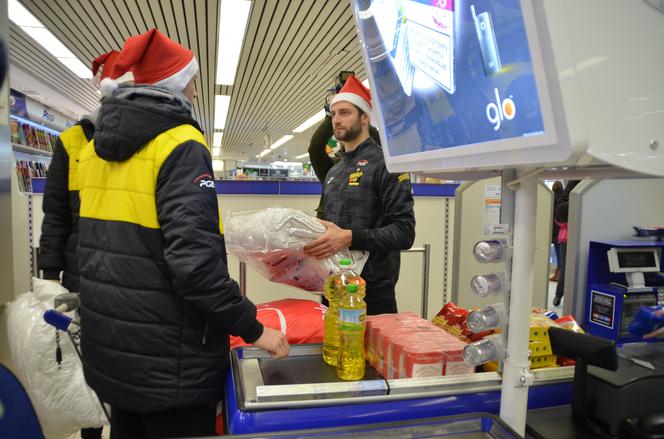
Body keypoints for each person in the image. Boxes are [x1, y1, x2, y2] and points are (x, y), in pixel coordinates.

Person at [76, 29, 288, 438]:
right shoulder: (181, 145)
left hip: (114, 353)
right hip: (171, 363)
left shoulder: (94, 149)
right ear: (170, 87)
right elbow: (195, 269)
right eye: (190, 82)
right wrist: (255, 328)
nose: (194, 93)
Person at [37, 49, 123, 439]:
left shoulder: (143, 141)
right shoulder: (72, 141)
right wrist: (49, 273)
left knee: (123, 364)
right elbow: (55, 213)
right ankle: (90, 430)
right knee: (84, 363)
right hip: (79, 272)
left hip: (125, 271)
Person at [304, 75, 415, 315]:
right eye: (333, 114)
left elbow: (404, 232)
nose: (337, 120)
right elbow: (335, 231)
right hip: (334, 287)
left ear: (365, 118)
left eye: (345, 113)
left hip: (372, 293)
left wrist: (349, 237)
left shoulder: (387, 165)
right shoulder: (335, 171)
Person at [308, 112, 382, 219]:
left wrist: (359, 117)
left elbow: (378, 143)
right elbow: (315, 149)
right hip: (328, 224)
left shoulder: (374, 162)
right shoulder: (331, 168)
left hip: (361, 224)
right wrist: (330, 116)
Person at [553, 180, 581, 307]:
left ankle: (561, 296)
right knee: (565, 268)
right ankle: (559, 295)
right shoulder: (573, 184)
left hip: (564, 237)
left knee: (565, 267)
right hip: (565, 238)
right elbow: (558, 216)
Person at [549, 181, 564, 282]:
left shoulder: (552, 198)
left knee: (558, 254)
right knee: (561, 254)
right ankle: (560, 272)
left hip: (555, 231)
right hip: (563, 231)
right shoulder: (564, 197)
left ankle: (558, 274)